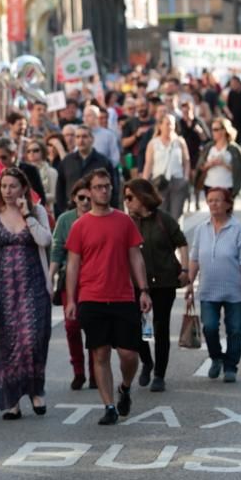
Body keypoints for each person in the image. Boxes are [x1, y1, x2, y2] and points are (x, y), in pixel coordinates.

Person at [64, 169, 152, 425]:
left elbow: (135, 256)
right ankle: (109, 406)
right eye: (99, 187)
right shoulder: (80, 226)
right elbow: (73, 265)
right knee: (100, 355)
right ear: (90, 191)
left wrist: (143, 289)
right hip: (92, 298)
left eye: (107, 186)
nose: (104, 190)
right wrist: (71, 300)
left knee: (129, 354)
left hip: (123, 297)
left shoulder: (124, 221)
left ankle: (125, 387)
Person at [0, 168, 52, 419]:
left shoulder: (38, 211)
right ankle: (11, 400)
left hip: (32, 286)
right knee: (7, 344)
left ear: (23, 188)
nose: (8, 191)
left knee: (32, 340)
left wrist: (27, 216)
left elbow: (45, 241)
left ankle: (35, 391)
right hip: (3, 288)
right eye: (4, 186)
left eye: (13, 186)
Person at [123, 180, 189, 392]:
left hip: (164, 282)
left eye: (130, 197)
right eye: (125, 197)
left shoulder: (164, 219)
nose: (127, 202)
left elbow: (182, 243)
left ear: (143, 197)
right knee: (138, 327)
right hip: (137, 284)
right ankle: (146, 361)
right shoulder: (127, 223)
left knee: (161, 328)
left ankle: (159, 374)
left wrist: (186, 271)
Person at [187, 188, 241, 383]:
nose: (213, 204)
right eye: (210, 200)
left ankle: (231, 366)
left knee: (235, 329)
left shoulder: (237, 228)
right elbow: (194, 258)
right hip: (208, 289)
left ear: (227, 204)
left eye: (217, 200)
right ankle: (216, 358)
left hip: (235, 290)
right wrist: (190, 284)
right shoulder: (202, 229)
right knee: (209, 328)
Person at [49, 178, 95, 390]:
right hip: (70, 278)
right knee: (71, 325)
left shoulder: (100, 218)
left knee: (95, 327)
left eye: (89, 197)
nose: (85, 202)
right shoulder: (65, 220)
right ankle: (79, 371)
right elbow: (57, 249)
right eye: (81, 198)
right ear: (74, 199)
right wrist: (50, 276)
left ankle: (96, 372)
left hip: (95, 279)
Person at [56, 126, 120, 217]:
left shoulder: (103, 161)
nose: (81, 140)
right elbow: (60, 188)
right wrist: (63, 209)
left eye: (84, 136)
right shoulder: (67, 161)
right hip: (72, 211)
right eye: (78, 137)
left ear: (92, 139)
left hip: (97, 212)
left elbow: (114, 188)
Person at [143, 113, 191, 219]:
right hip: (160, 182)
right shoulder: (153, 143)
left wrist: (186, 178)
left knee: (176, 215)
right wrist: (144, 183)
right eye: (167, 124)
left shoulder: (180, 142)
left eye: (172, 124)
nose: (169, 127)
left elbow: (186, 161)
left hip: (177, 181)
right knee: (161, 215)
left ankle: (175, 234)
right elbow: (148, 164)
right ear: (160, 125)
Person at [194, 117, 241, 197]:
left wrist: (223, 164)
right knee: (213, 209)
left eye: (215, 129)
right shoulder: (209, 147)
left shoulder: (234, 149)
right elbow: (200, 167)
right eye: (212, 129)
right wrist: (210, 164)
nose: (213, 132)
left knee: (225, 209)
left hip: (227, 187)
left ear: (224, 131)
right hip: (210, 186)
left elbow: (239, 170)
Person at [0, 137, 47, 205]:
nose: (0, 161)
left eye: (4, 157)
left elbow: (40, 199)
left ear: (13, 154)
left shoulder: (30, 170)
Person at [23, 140, 58, 213]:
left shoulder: (51, 172)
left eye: (35, 150)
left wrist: (34, 196)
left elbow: (54, 196)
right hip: (26, 209)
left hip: (46, 210)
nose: (31, 153)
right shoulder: (23, 171)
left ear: (43, 151)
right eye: (28, 151)